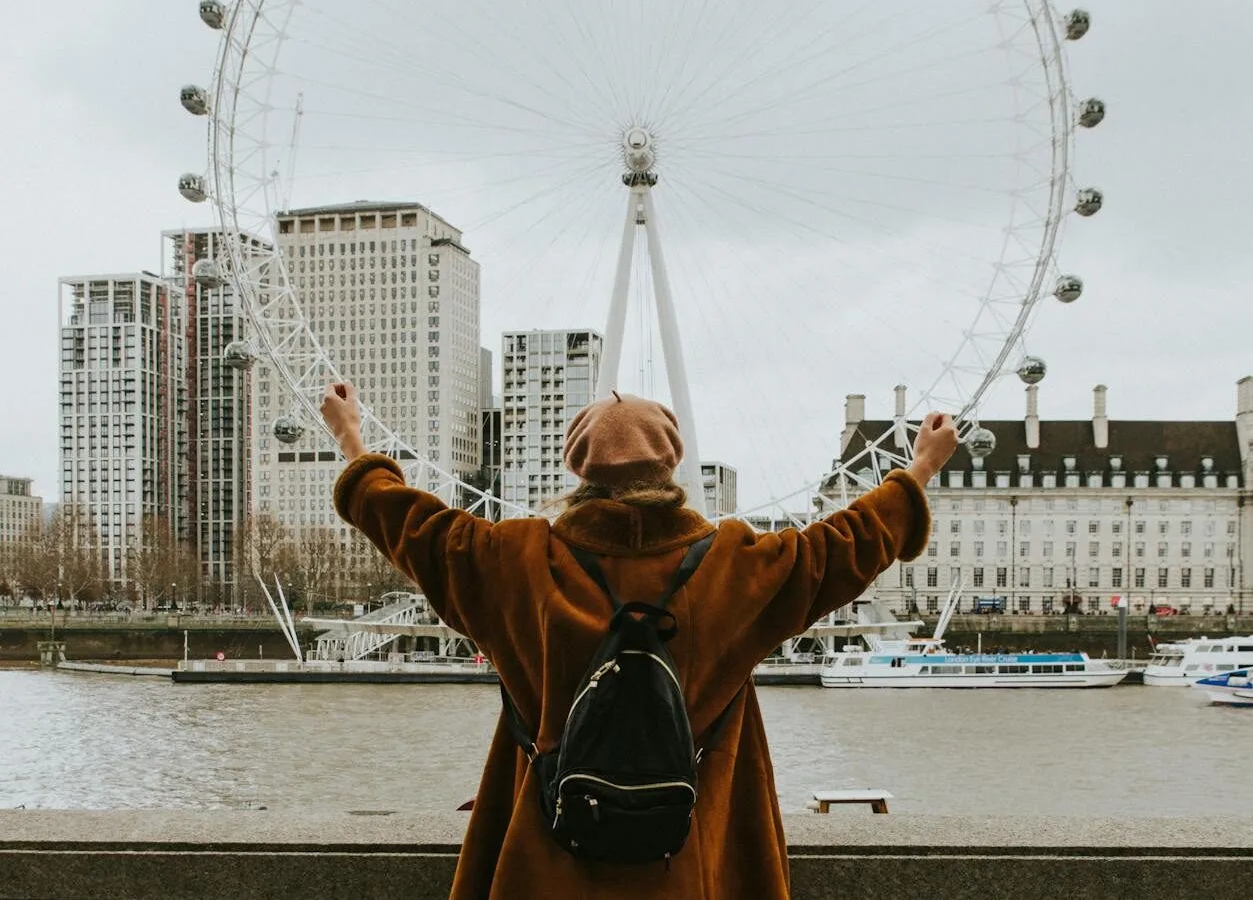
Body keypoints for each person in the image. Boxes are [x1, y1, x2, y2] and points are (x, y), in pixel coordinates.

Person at [322, 382, 955, 899]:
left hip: (546, 857)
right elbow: (846, 543)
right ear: (672, 463)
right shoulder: (738, 564)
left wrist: (352, 437)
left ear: (578, 469)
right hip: (695, 858)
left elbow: (406, 520)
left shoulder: (509, 559)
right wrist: (919, 468)